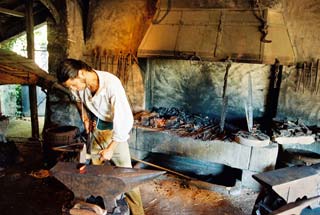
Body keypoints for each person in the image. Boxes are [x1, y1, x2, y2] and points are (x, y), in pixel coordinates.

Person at [57, 58, 144, 215]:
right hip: (96, 130)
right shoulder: (78, 87)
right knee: (96, 174)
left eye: (73, 84)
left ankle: (138, 212)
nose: (73, 89)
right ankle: (103, 208)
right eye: (70, 87)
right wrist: (84, 118)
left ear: (81, 73)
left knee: (127, 177)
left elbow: (125, 121)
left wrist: (111, 148)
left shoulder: (111, 84)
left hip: (116, 134)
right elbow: (78, 100)